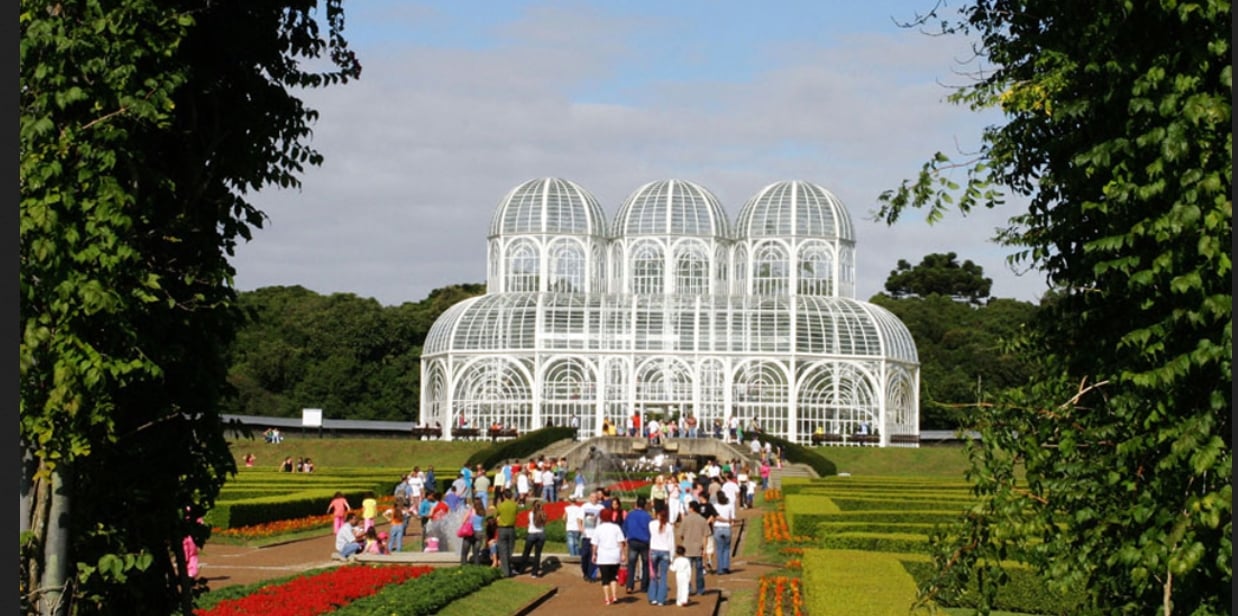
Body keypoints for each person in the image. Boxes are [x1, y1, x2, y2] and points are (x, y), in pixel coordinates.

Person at [592, 508, 627, 606]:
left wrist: (594, 554)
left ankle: (607, 598)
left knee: (605, 579)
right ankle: (615, 596)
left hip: (603, 556)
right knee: (613, 577)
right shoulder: (616, 527)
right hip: (614, 556)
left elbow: (595, 544)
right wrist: (623, 553)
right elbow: (621, 542)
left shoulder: (598, 528)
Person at [676, 500, 710, 597]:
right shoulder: (702, 520)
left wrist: (685, 540)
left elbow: (681, 534)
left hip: (687, 548)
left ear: (691, 508)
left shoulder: (686, 519)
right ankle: (700, 589)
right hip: (698, 548)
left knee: (687, 571)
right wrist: (705, 548)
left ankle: (689, 588)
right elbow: (705, 536)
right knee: (699, 571)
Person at [621, 495, 652, 594]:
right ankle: (644, 586)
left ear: (636, 504)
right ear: (645, 505)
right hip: (645, 542)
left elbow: (625, 528)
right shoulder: (648, 516)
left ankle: (629, 586)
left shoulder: (630, 515)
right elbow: (651, 530)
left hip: (633, 541)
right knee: (645, 564)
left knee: (631, 564)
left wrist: (624, 539)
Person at [647, 506, 675, 606]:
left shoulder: (651, 524)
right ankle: (661, 599)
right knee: (663, 576)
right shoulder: (669, 527)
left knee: (653, 575)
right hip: (665, 551)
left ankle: (653, 597)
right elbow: (671, 542)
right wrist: (672, 557)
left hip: (654, 550)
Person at [580, 489, 605, 581]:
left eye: (595, 497)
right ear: (589, 498)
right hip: (586, 535)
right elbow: (579, 519)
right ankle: (585, 572)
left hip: (596, 536)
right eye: (592, 497)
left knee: (593, 555)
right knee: (585, 555)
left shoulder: (601, 507)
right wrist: (580, 528)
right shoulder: (584, 506)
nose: (593, 499)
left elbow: (603, 520)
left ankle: (591, 575)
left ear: (597, 498)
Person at [519, 500, 548, 577]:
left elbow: (529, 522)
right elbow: (544, 523)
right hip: (541, 534)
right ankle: (534, 573)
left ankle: (521, 569)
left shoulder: (531, 514)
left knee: (526, 553)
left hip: (532, 534)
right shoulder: (543, 514)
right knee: (537, 554)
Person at [494, 489, 518, 576]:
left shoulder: (501, 506)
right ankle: (508, 568)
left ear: (504, 496)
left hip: (502, 528)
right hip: (511, 529)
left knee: (503, 550)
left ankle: (505, 571)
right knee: (509, 549)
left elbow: (496, 516)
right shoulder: (514, 505)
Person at [712, 491, 735, 575]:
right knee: (726, 548)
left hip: (718, 528)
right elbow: (732, 518)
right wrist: (731, 522)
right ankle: (726, 567)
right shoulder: (729, 506)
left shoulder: (715, 506)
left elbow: (714, 517)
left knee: (719, 549)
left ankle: (720, 569)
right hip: (726, 528)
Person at [460, 500, 486, 565]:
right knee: (476, 553)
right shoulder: (483, 512)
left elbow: (463, 521)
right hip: (480, 532)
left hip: (470, 532)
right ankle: (476, 567)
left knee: (464, 552)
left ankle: (463, 566)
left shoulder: (471, 511)